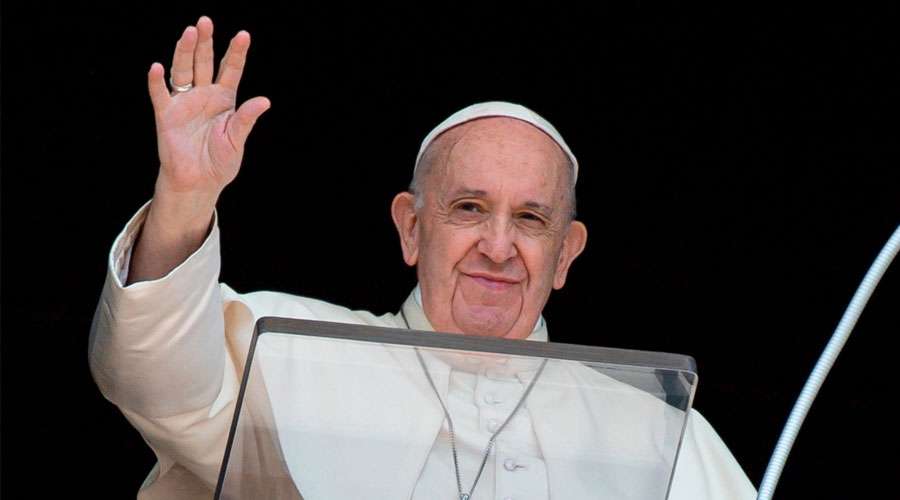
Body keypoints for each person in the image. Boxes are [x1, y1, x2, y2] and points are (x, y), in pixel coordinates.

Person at [89, 16, 757, 499]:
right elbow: (149, 376)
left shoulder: (657, 434)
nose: (499, 248)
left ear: (565, 255)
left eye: (531, 219)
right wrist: (183, 197)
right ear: (410, 229)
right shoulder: (283, 354)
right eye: (468, 209)